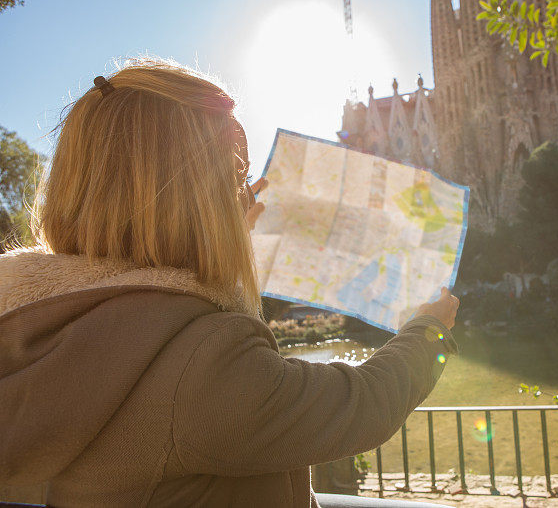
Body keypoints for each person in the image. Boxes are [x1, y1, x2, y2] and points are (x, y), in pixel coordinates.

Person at [0, 60, 459, 507]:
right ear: (195, 198)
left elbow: (189, 312)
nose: (246, 194)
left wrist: (231, 237)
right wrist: (429, 330)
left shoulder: (44, 323)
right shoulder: (203, 365)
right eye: (236, 179)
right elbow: (362, 404)